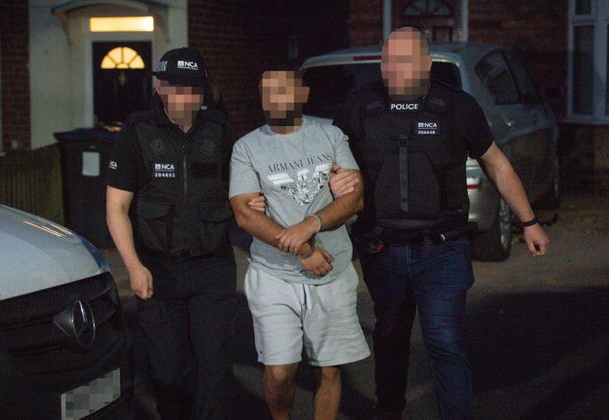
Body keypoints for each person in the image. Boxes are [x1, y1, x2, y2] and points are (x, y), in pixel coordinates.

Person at [332, 27, 550, 419]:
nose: (393, 68)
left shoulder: (457, 107)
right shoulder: (358, 106)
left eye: (404, 59)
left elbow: (496, 163)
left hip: (443, 248)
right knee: (390, 336)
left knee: (444, 339)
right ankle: (390, 409)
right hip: (383, 247)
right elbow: (331, 163)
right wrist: (336, 180)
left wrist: (528, 220)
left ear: (426, 64)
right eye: (387, 60)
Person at [105, 46, 262, 419]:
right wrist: (133, 265)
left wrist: (255, 200)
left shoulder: (219, 130)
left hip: (213, 268)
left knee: (215, 367)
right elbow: (116, 209)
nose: (184, 97)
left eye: (193, 88)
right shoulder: (136, 134)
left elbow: (243, 186)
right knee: (167, 370)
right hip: (159, 271)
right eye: (175, 87)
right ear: (159, 86)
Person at [229, 70, 370, 420]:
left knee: (329, 369)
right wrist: (304, 250)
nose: (273, 98)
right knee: (279, 371)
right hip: (274, 274)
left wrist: (311, 224)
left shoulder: (330, 135)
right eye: (266, 92)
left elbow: (355, 199)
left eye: (282, 90)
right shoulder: (247, 147)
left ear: (302, 93)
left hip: (332, 271)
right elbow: (245, 214)